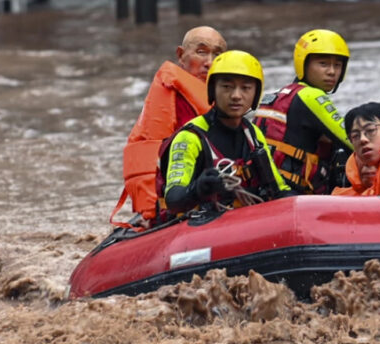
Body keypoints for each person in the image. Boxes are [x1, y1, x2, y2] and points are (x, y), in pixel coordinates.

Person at [112, 26, 227, 225]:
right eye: (201, 52)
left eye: (217, 54)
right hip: (174, 203)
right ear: (181, 56)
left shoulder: (227, 99)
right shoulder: (174, 99)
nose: (210, 63)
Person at [159, 50, 292, 215]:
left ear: (255, 94)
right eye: (227, 87)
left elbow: (280, 189)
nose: (236, 96)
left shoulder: (253, 135)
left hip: (247, 223)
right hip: (200, 228)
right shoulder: (190, 137)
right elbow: (174, 200)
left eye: (245, 88)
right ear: (212, 90)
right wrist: (198, 188)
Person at [255, 29, 353, 194]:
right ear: (303, 64)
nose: (332, 72)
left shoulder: (281, 95)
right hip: (295, 196)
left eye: (337, 65)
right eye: (323, 64)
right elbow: (353, 141)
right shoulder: (311, 96)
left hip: (265, 191)